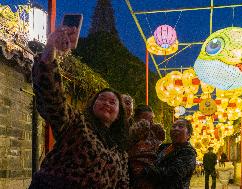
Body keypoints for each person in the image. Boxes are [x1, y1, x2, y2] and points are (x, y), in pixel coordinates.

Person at [29, 27, 129, 188]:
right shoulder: (76, 123)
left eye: (112, 102)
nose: (106, 103)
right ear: (92, 104)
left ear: (119, 114)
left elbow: (122, 184)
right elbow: (52, 98)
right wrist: (50, 49)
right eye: (101, 98)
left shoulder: (120, 152)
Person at [143, 118, 196, 189]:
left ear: (189, 135)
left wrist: (145, 170)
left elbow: (173, 174)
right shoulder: (163, 147)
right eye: (173, 126)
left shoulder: (189, 152)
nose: (176, 129)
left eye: (180, 126)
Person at [128, 104, 165, 189]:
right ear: (137, 118)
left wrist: (159, 131)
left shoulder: (153, 131)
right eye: (146, 119)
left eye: (152, 119)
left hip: (152, 171)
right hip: (135, 170)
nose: (150, 122)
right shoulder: (133, 129)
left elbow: (160, 143)